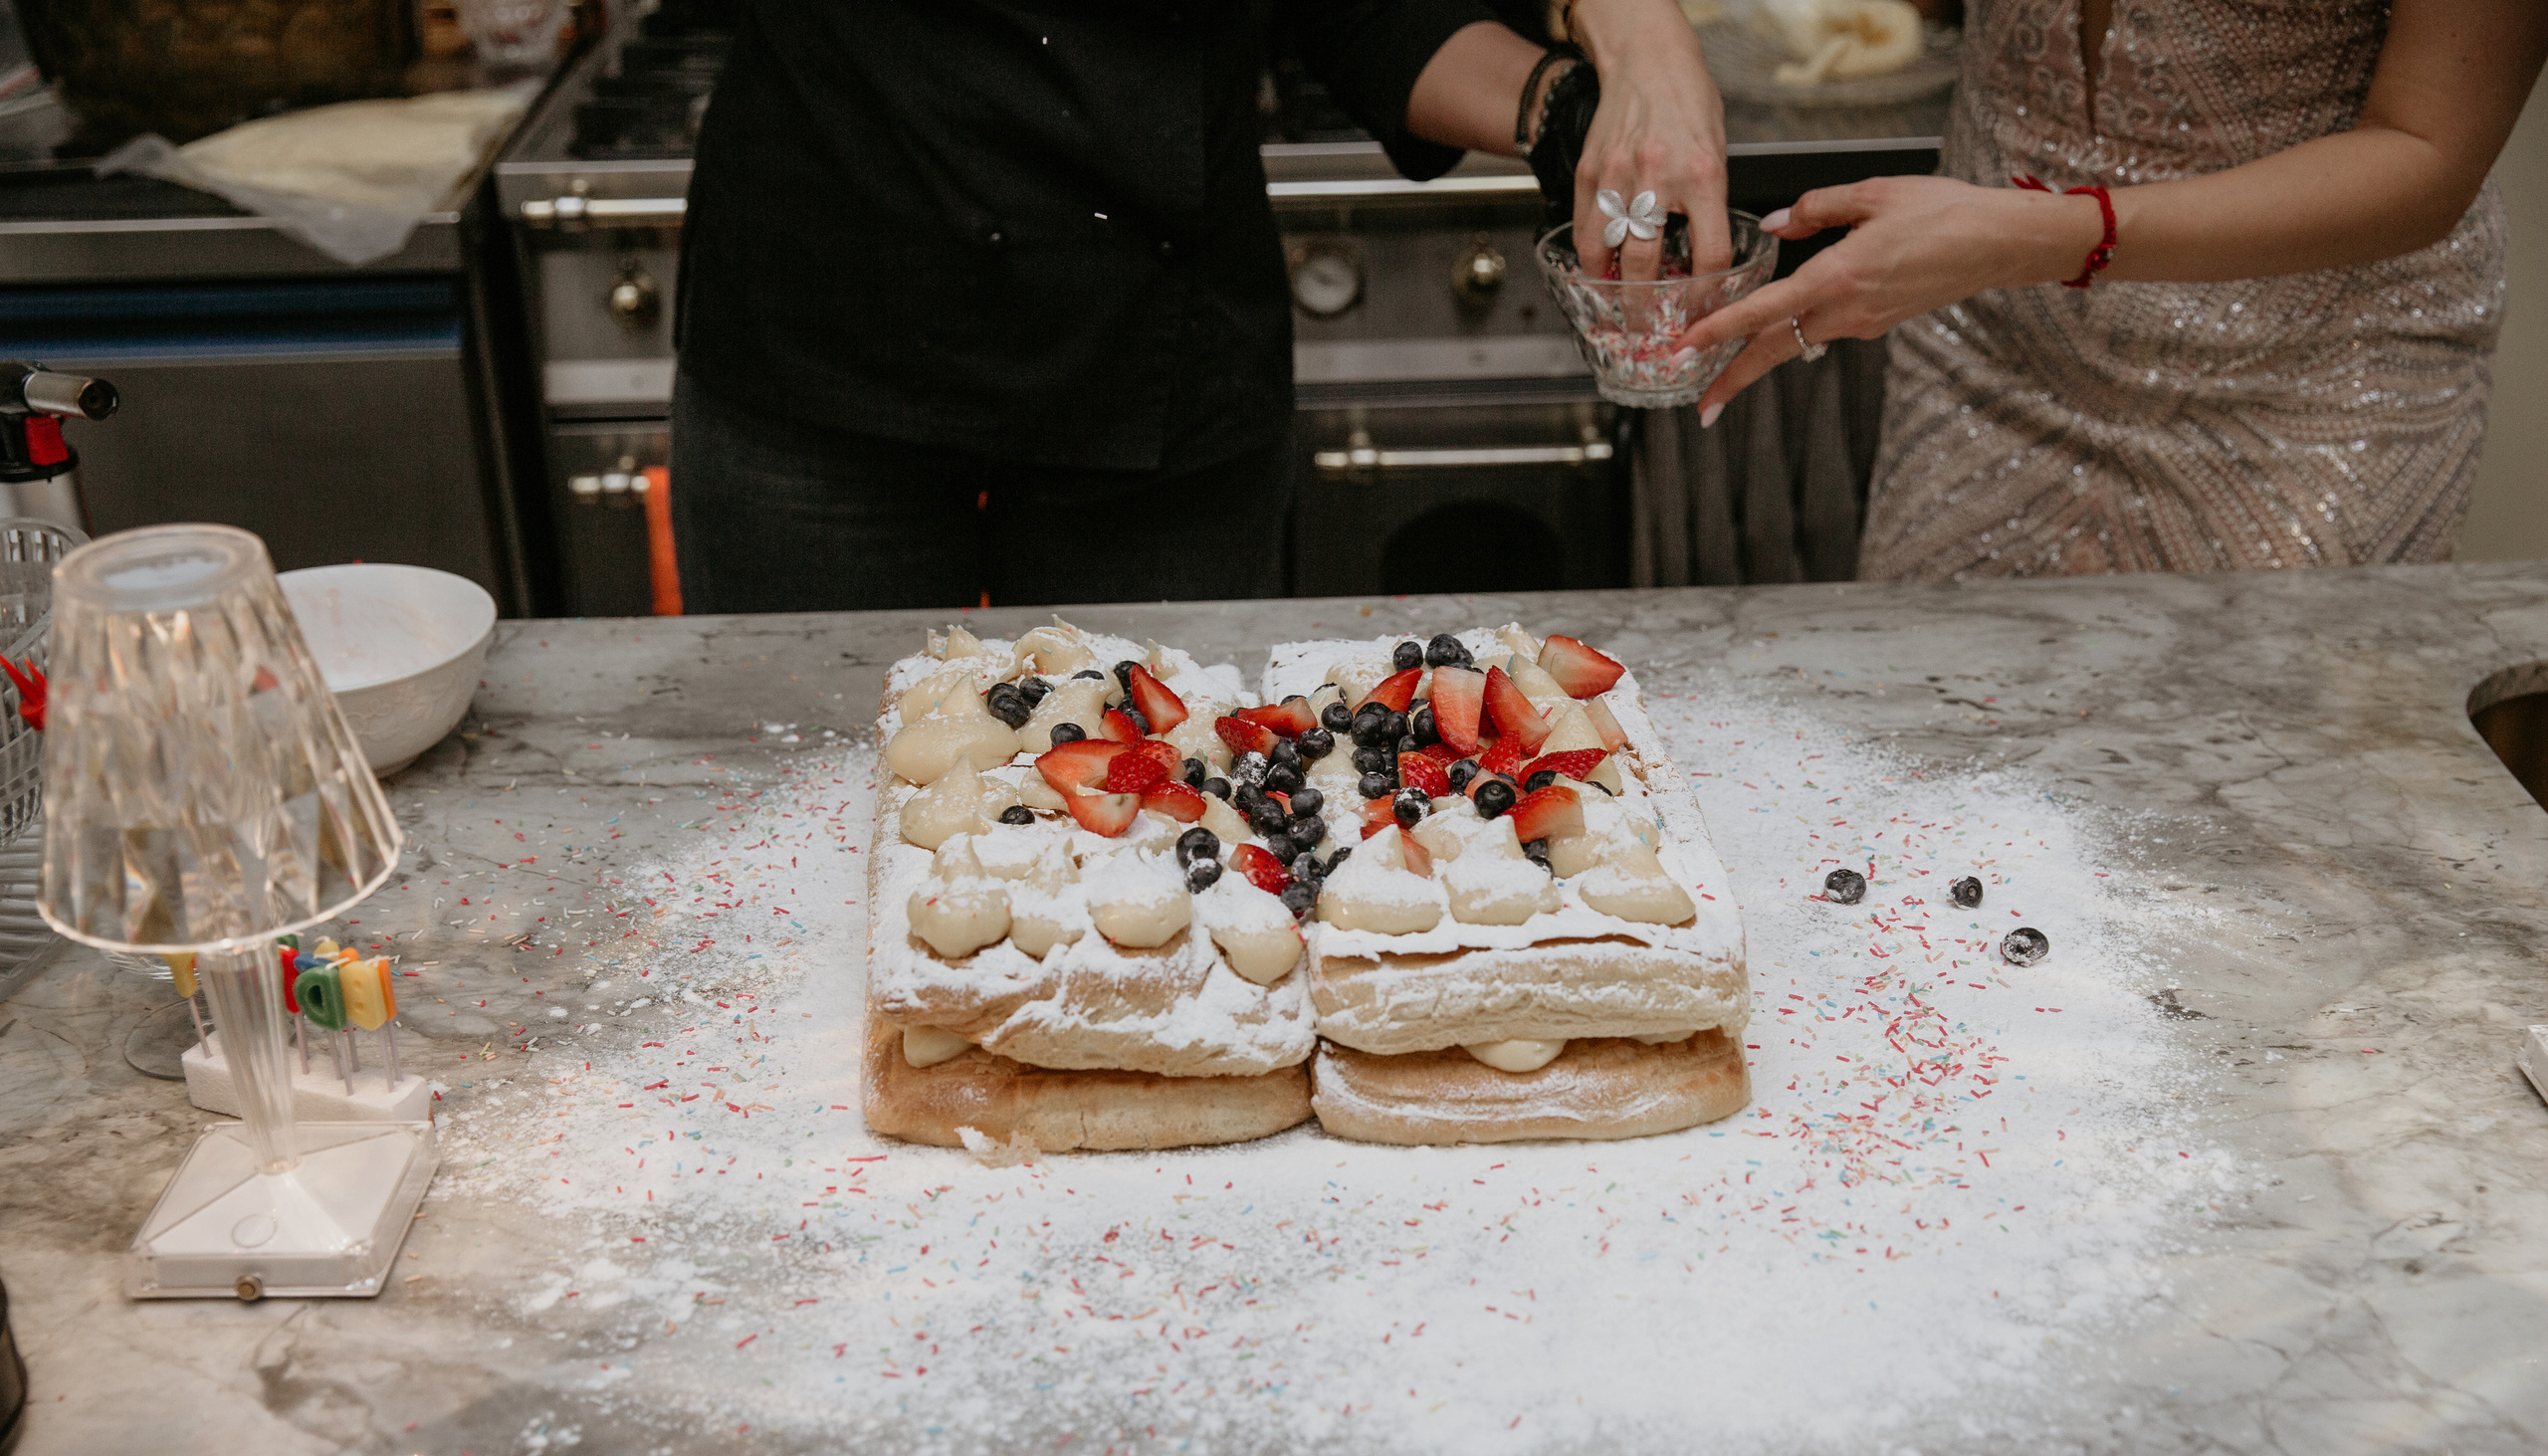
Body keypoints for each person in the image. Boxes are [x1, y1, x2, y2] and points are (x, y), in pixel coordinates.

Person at [671, 0, 1731, 613]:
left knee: (1163, 839)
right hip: (824, 330)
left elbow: (1356, 8)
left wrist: (1559, 109)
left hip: (1158, 362)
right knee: (813, 814)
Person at [1677, 0, 2548, 578]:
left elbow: (2430, 150)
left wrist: (2030, 237)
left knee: (2254, 813)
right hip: (1991, 351)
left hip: (2308, 379)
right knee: (1930, 767)